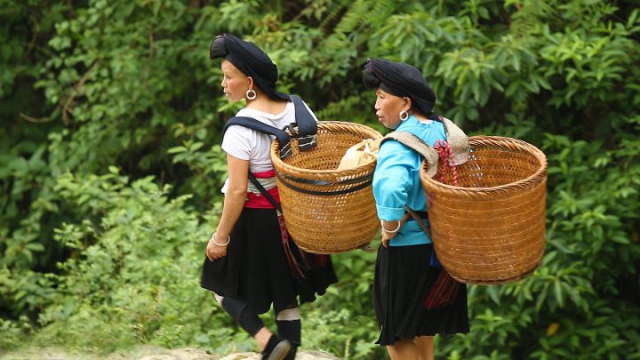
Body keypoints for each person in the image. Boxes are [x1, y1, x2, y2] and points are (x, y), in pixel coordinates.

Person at [201, 33, 338, 360]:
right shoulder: (300, 110)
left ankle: (267, 341)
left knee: (216, 283)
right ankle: (285, 353)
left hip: (257, 222)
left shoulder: (240, 129)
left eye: (228, 76)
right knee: (286, 297)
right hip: (296, 220)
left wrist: (220, 238)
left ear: (249, 82)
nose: (223, 83)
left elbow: (236, 191)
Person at [362, 59, 470, 360]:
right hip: (443, 248)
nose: (377, 105)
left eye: (382, 97)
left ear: (405, 102)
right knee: (423, 327)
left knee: (394, 332)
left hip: (408, 247)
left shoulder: (399, 142)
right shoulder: (443, 130)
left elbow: (391, 186)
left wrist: (390, 226)